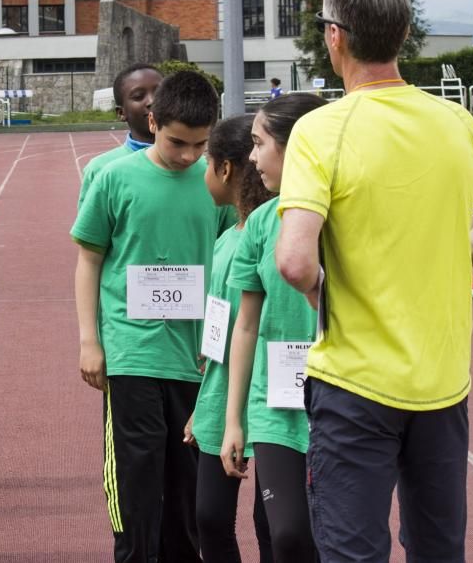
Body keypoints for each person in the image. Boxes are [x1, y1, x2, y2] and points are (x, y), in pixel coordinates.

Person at [276, 0, 473, 563]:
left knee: (352, 552)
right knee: (439, 550)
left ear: (333, 35)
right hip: (443, 384)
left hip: (356, 385)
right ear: (404, 33)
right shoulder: (456, 123)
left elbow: (293, 261)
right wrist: (447, 254)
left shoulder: (320, 130)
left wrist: (326, 296)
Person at [72, 71, 229, 562]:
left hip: (196, 359)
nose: (187, 155)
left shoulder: (216, 184)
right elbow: (90, 259)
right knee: (137, 490)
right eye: (177, 142)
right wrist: (89, 341)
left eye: (199, 145)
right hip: (131, 352)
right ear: (153, 120)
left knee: (187, 493)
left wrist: (220, 345)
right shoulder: (114, 177)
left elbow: (227, 267)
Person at [219, 93, 328, 563]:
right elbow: (245, 327)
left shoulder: (351, 217)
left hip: (343, 399)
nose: (251, 156)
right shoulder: (261, 223)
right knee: (286, 537)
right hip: (276, 406)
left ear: (298, 147)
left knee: (336, 536)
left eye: (261, 143)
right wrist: (233, 420)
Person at [182, 113, 274, 563]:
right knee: (211, 518)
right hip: (222, 393)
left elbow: (256, 324)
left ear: (224, 169)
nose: (202, 172)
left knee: (273, 523)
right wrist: (204, 406)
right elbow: (221, 322)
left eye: (206, 162)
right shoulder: (226, 238)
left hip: (268, 392)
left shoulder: (268, 237)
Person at [77, 63, 163, 207]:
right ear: (121, 113)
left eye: (159, 93)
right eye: (138, 96)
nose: (152, 101)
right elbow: (91, 229)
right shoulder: (100, 169)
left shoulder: (196, 165)